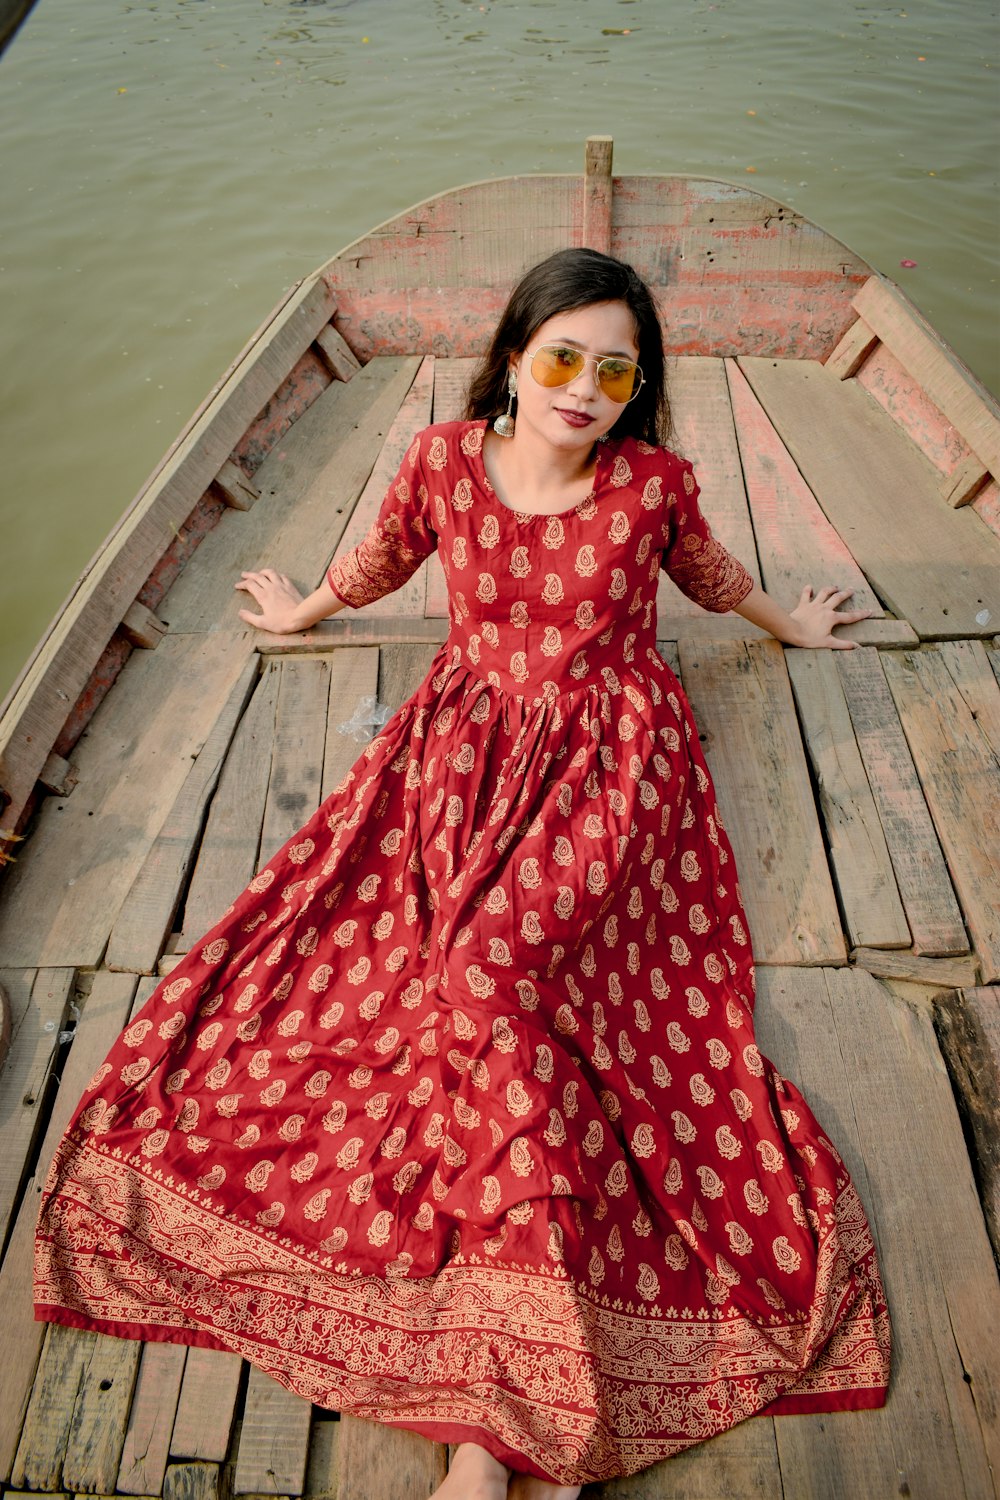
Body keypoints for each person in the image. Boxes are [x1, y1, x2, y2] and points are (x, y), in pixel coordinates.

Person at [35, 248, 890, 1500]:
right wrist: (308, 608)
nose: (585, 388)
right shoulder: (443, 463)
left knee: (485, 979)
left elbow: (708, 576)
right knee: (390, 973)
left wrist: (790, 624)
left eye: (615, 369)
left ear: (635, 386)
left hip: (612, 767)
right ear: (511, 357)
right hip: (460, 750)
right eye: (561, 358)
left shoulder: (650, 485)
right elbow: (384, 555)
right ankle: (500, 1416)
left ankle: (488, 1445)